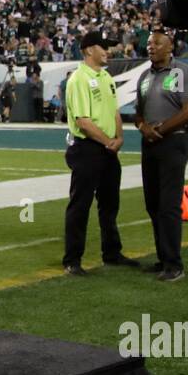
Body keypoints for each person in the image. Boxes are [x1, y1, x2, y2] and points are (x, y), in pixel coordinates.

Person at [62, 32, 140, 277]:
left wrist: (119, 137)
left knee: (110, 204)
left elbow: (114, 111)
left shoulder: (106, 77)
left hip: (107, 149)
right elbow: (83, 121)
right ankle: (72, 259)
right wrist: (109, 141)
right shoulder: (79, 79)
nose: (108, 51)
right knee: (80, 205)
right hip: (87, 149)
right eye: (102, 47)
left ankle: (112, 252)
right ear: (88, 50)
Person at [132, 30, 188, 282]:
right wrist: (144, 128)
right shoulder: (144, 76)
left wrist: (161, 129)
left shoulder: (181, 72)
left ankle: (174, 264)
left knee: (169, 204)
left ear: (170, 46)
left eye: (157, 43)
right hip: (149, 143)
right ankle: (163, 258)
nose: (151, 47)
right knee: (153, 203)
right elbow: (138, 112)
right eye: (149, 43)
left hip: (174, 141)